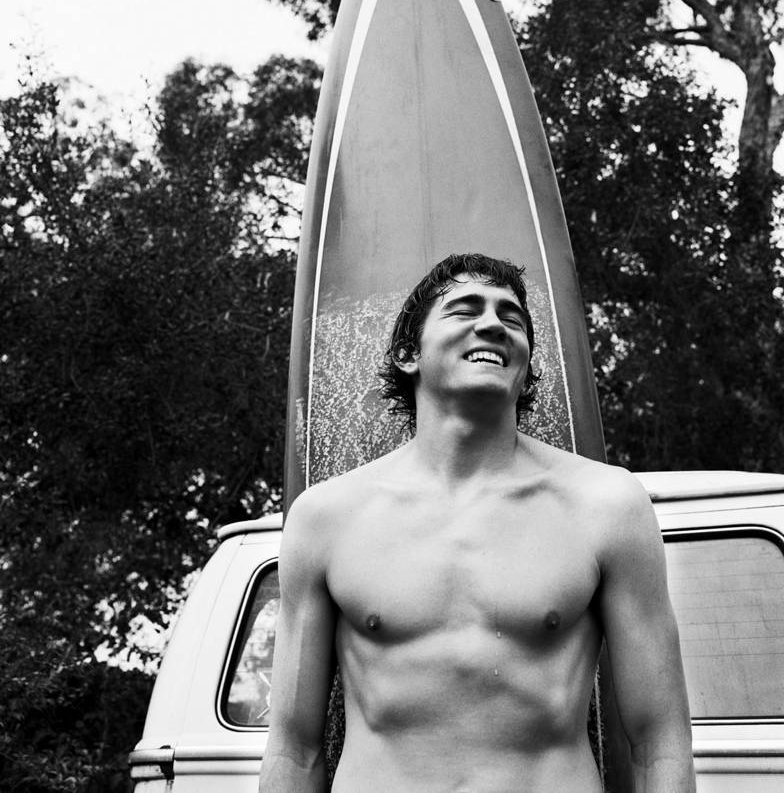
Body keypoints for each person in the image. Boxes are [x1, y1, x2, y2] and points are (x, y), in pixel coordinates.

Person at [259, 253, 695, 792]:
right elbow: (294, 749)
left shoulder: (606, 505)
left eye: (512, 318)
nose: (493, 324)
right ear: (408, 354)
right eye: (465, 310)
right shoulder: (326, 518)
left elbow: (659, 742)